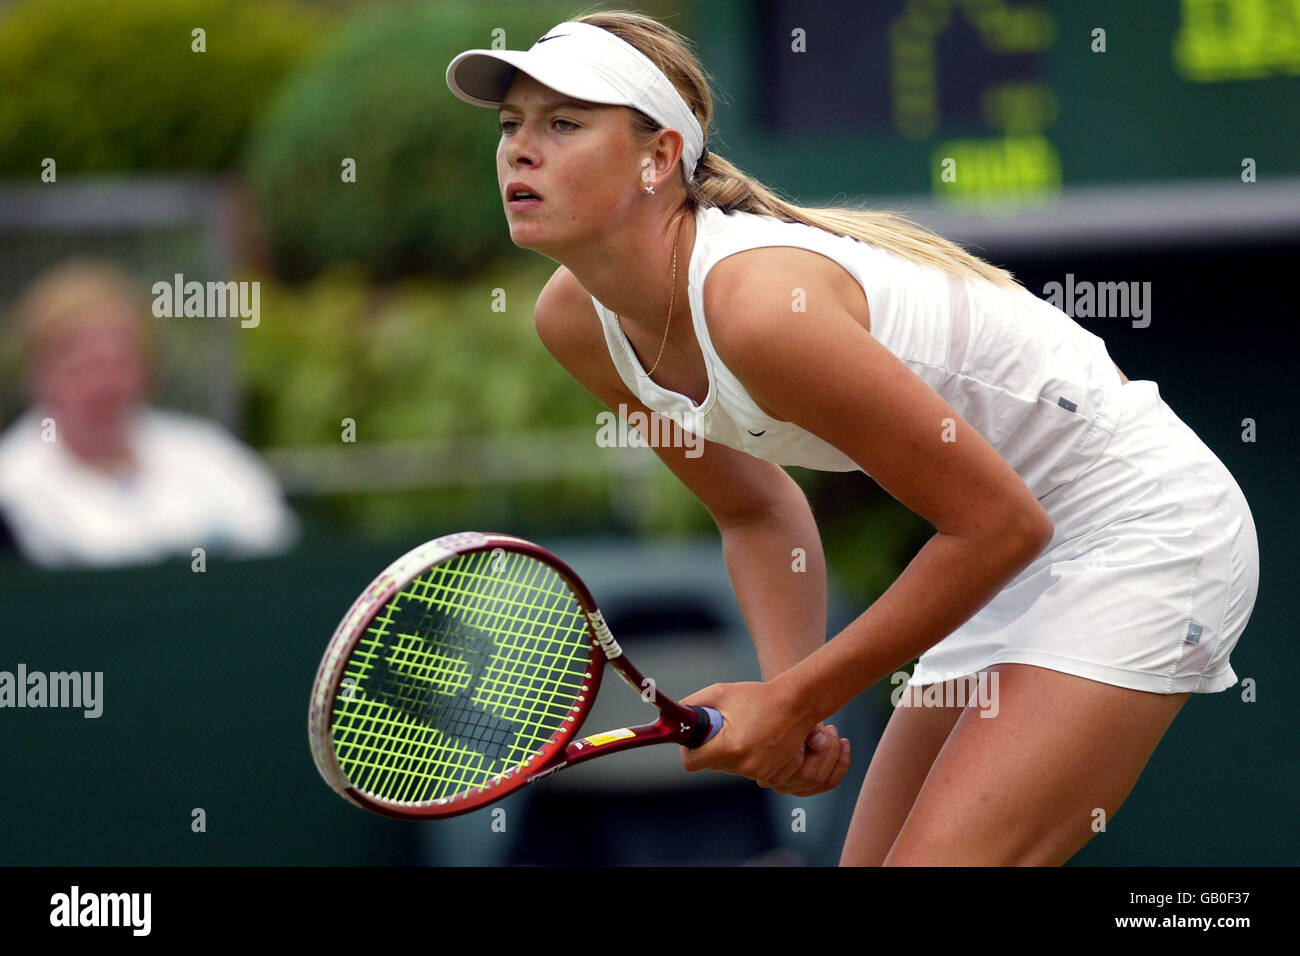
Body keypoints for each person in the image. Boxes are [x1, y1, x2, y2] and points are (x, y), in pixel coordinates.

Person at [445, 12, 1260, 865]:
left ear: (659, 158)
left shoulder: (760, 309)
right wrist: (791, 697)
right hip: (1009, 554)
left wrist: (796, 699)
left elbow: (1000, 525)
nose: (518, 152)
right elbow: (755, 510)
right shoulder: (574, 322)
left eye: (563, 124)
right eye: (511, 127)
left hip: (1142, 526)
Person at [0, 259, 298, 568]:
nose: (103, 383)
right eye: (82, 366)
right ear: (39, 372)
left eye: (120, 362)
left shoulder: (209, 453)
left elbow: (271, 534)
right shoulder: (9, 481)